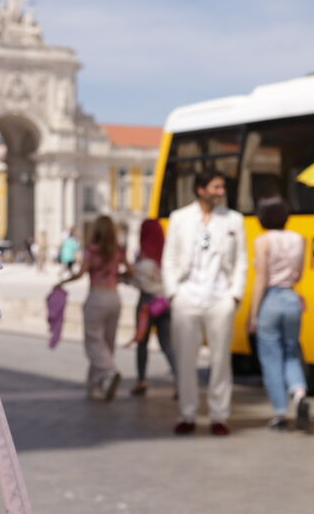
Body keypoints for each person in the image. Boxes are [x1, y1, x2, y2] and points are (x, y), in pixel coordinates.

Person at [163, 170, 248, 436]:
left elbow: (242, 260)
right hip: (187, 295)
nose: (221, 192)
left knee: (221, 360)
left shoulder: (234, 220)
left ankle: (219, 415)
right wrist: (173, 293)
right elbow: (169, 258)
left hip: (219, 297)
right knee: (186, 360)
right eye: (216, 187)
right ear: (201, 189)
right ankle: (187, 413)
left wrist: (235, 295)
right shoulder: (180, 218)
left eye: (222, 187)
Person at [247, 197, 309, 431]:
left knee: (271, 357)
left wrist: (253, 315)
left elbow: (261, 278)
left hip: (271, 300)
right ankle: (299, 393)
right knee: (292, 351)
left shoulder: (263, 241)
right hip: (291, 299)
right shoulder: (298, 239)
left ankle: (281, 413)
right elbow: (299, 274)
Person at [55, 215, 132, 400]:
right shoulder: (118, 251)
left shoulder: (91, 250)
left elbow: (81, 273)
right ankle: (96, 385)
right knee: (107, 342)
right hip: (114, 297)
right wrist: (117, 276)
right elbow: (131, 271)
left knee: (93, 340)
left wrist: (62, 282)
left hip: (96, 296)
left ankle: (109, 371)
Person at [129, 218, 176, 396]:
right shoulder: (166, 257)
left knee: (142, 342)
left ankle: (141, 380)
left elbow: (136, 281)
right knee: (167, 345)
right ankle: (179, 381)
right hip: (164, 304)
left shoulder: (144, 262)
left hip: (147, 304)